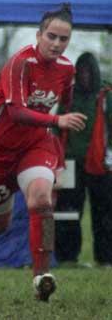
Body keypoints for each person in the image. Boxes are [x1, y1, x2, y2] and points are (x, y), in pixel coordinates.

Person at [0, 3, 87, 302]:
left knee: (42, 199)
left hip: (34, 145)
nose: (57, 44)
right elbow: (18, 112)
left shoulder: (66, 70)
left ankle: (41, 277)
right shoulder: (20, 63)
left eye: (63, 39)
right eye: (52, 37)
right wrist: (56, 120)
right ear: (39, 35)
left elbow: (67, 112)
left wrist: (58, 153)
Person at [54, 52, 112, 267]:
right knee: (67, 212)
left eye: (88, 71)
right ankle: (67, 257)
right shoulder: (68, 96)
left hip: (101, 163)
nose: (85, 76)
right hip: (70, 162)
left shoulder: (106, 95)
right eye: (81, 72)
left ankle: (106, 258)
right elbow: (57, 124)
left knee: (104, 213)